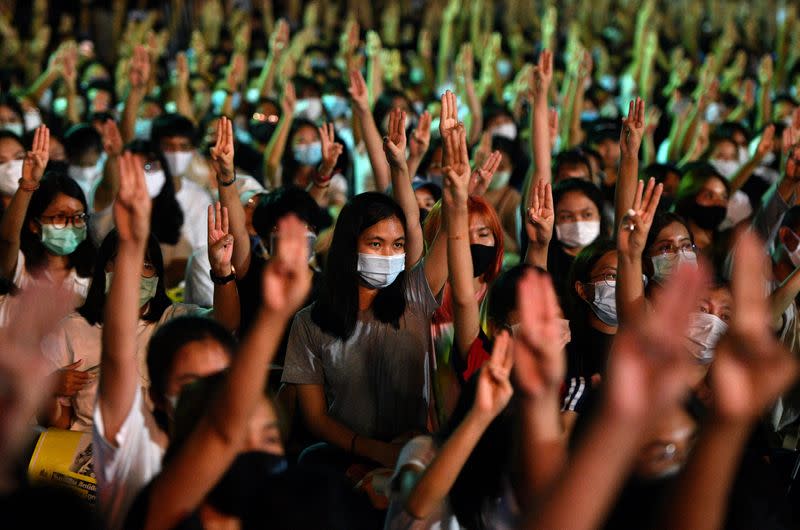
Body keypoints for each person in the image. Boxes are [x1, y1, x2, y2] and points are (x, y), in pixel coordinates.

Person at [281, 109, 449, 475]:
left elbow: (448, 231)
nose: (389, 255)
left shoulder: (414, 297)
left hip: (412, 457)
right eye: (376, 243)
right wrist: (372, 452)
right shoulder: (309, 323)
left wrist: (427, 172)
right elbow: (315, 417)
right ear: (348, 245)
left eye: (397, 245)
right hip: (344, 460)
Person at [122, 214, 315, 530]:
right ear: (157, 397)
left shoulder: (277, 510)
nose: (250, 449)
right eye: (193, 384)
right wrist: (273, 317)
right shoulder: (164, 493)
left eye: (267, 438)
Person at [92, 153, 237, 529]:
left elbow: (225, 324)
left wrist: (222, 275)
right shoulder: (73, 326)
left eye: (147, 265)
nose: (136, 272)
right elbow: (119, 355)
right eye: (124, 261)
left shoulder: (173, 320)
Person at [0, 125, 95, 314]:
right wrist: (28, 183)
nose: (71, 225)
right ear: (35, 225)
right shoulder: (22, 269)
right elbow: (8, 239)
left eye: (78, 217)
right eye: (60, 217)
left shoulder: (94, 276)